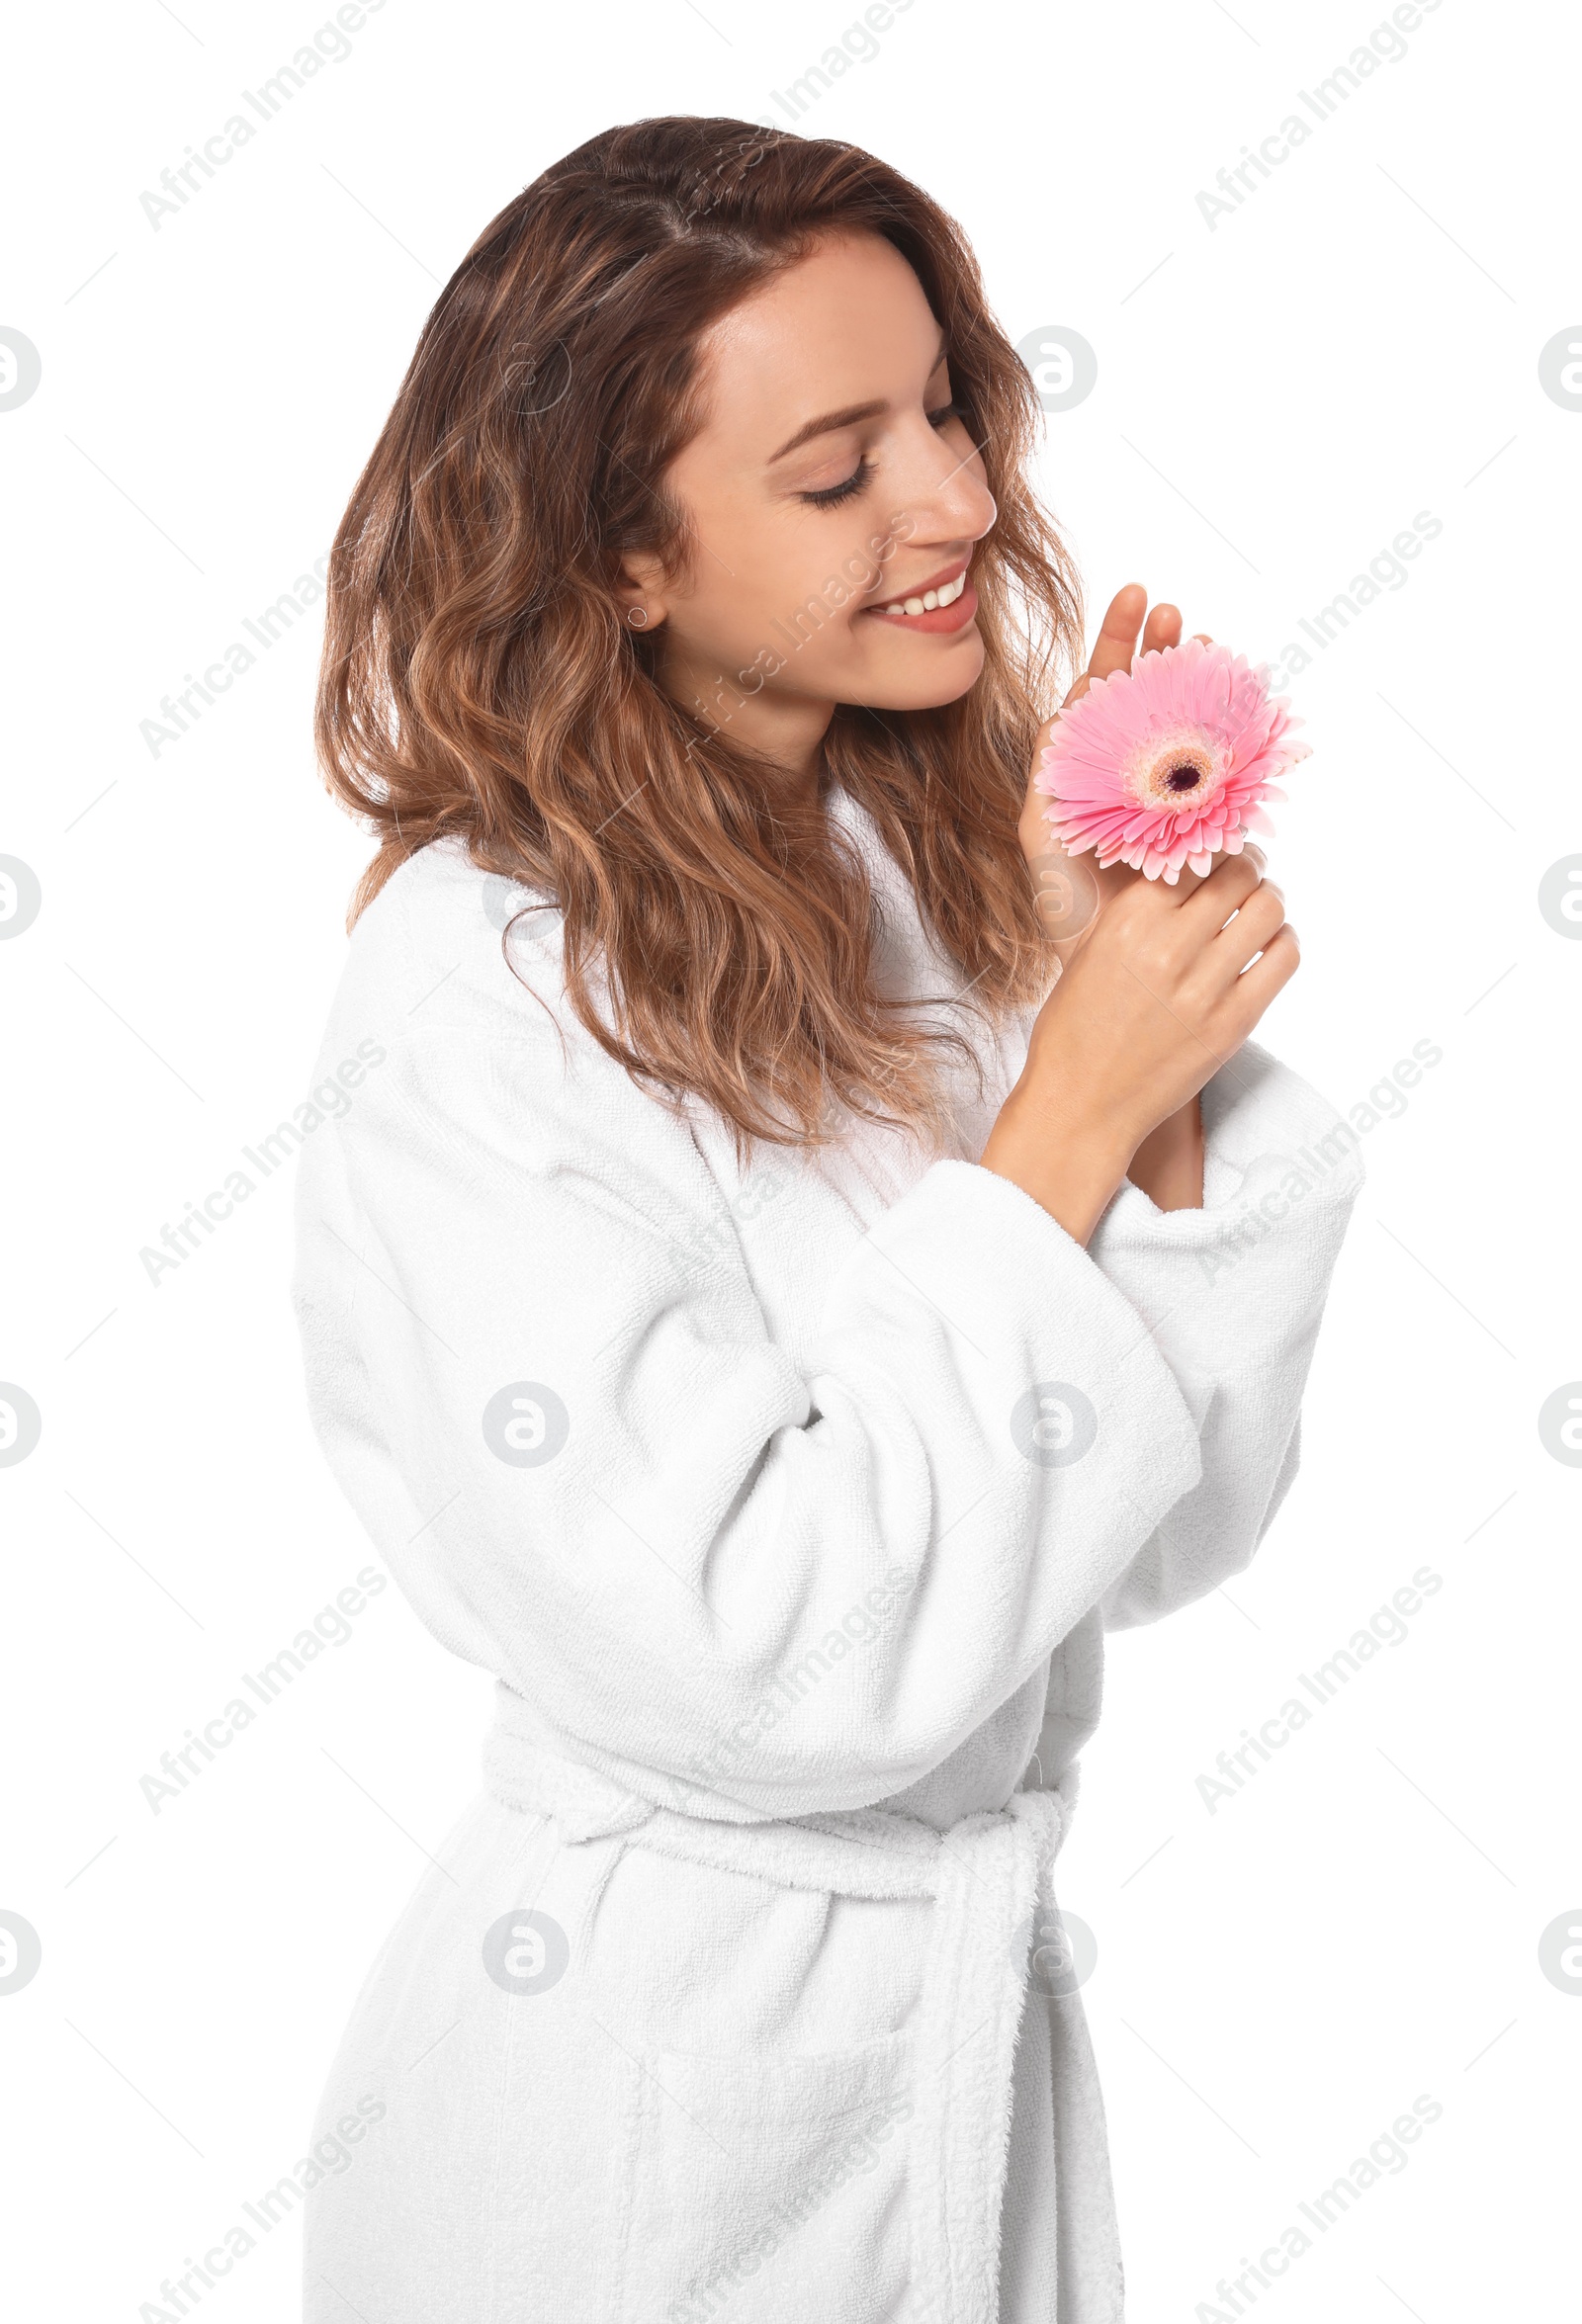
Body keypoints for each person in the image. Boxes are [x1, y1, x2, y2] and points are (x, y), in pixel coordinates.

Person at [292, 116, 1362, 2323]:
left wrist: (1121, 1082)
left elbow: (1146, 1537)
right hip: (641, 2133)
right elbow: (763, 1657)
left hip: (944, 2072)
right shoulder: (476, 1001)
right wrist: (1054, 1120)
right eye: (834, 467)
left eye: (947, 408)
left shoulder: (894, 901)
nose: (958, 502)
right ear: (614, 558)